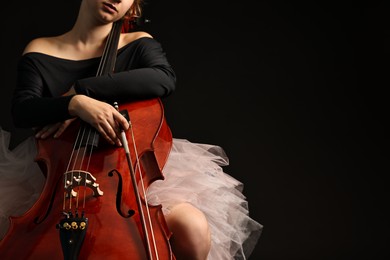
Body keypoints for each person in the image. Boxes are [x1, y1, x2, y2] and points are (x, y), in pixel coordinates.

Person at [0, 0, 262, 259]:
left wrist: (82, 89)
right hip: (60, 179)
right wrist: (75, 104)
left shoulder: (136, 43)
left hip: (128, 173)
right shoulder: (41, 49)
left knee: (191, 226)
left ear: (132, 7)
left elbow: (163, 78)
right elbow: (23, 110)